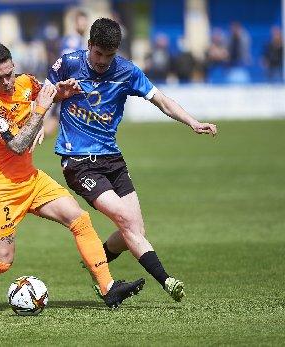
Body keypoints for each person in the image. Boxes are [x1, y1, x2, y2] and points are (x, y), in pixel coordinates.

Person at [0, 42, 145, 312]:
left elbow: (47, 95)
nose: (7, 82)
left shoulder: (26, 82)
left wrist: (61, 93)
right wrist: (40, 109)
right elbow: (18, 146)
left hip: (31, 180)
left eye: (10, 73)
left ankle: (108, 288)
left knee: (79, 220)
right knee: (1, 262)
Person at [45, 18, 217, 302]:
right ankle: (167, 281)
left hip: (112, 160)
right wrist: (40, 122)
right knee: (125, 220)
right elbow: (42, 96)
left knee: (134, 231)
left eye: (108, 56)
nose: (102, 61)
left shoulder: (126, 72)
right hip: (78, 162)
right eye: (98, 53)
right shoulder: (68, 64)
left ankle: (95, 262)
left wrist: (192, 122)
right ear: (89, 46)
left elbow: (160, 99)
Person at [44, 10, 89, 137]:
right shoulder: (72, 41)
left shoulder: (81, 41)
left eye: (85, 22)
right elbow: (66, 62)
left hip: (74, 87)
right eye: (81, 21)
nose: (83, 24)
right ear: (75, 23)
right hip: (69, 86)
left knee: (56, 120)